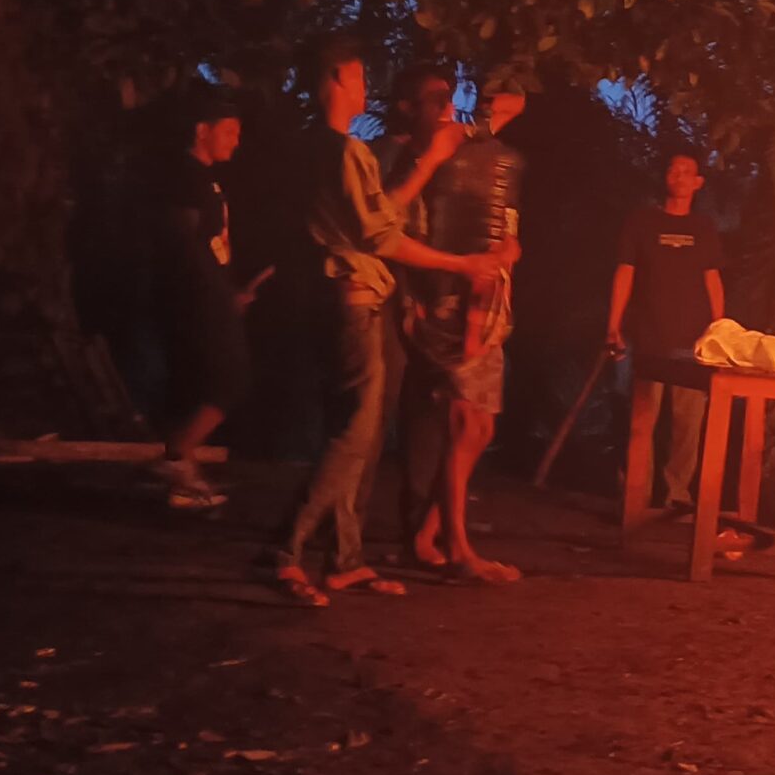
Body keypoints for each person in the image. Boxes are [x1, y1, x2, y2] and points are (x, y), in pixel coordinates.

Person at [269, 37, 511, 608]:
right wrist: (462, 261)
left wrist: (433, 161)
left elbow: (382, 212)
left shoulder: (322, 150)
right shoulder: (343, 151)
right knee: (353, 433)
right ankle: (284, 550)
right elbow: (381, 237)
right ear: (333, 81)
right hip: (352, 299)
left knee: (365, 435)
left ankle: (346, 560)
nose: (363, 89)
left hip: (347, 300)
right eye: (356, 78)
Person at [383, 64, 525, 585]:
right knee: (463, 421)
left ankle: (430, 533)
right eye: (434, 97)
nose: (447, 105)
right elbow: (386, 230)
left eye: (450, 96)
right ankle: (458, 546)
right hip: (437, 305)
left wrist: (506, 250)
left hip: (482, 299)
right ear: (407, 108)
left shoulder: (468, 149)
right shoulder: (401, 162)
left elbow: (514, 101)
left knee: (479, 425)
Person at [149, 87, 271, 510]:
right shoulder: (185, 177)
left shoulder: (206, 178)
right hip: (199, 301)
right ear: (203, 131)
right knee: (229, 379)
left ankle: (182, 475)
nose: (236, 140)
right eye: (230, 131)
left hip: (212, 296)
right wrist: (219, 295)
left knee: (205, 382)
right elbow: (183, 244)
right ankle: (176, 457)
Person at [607, 149, 728, 519]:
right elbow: (625, 271)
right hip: (647, 337)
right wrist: (613, 324)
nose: (677, 174)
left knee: (688, 423)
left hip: (693, 342)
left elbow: (713, 279)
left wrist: (721, 332)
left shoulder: (704, 228)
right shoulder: (642, 222)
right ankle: (634, 496)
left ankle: (678, 495)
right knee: (640, 418)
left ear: (698, 183)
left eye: (686, 170)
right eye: (673, 168)